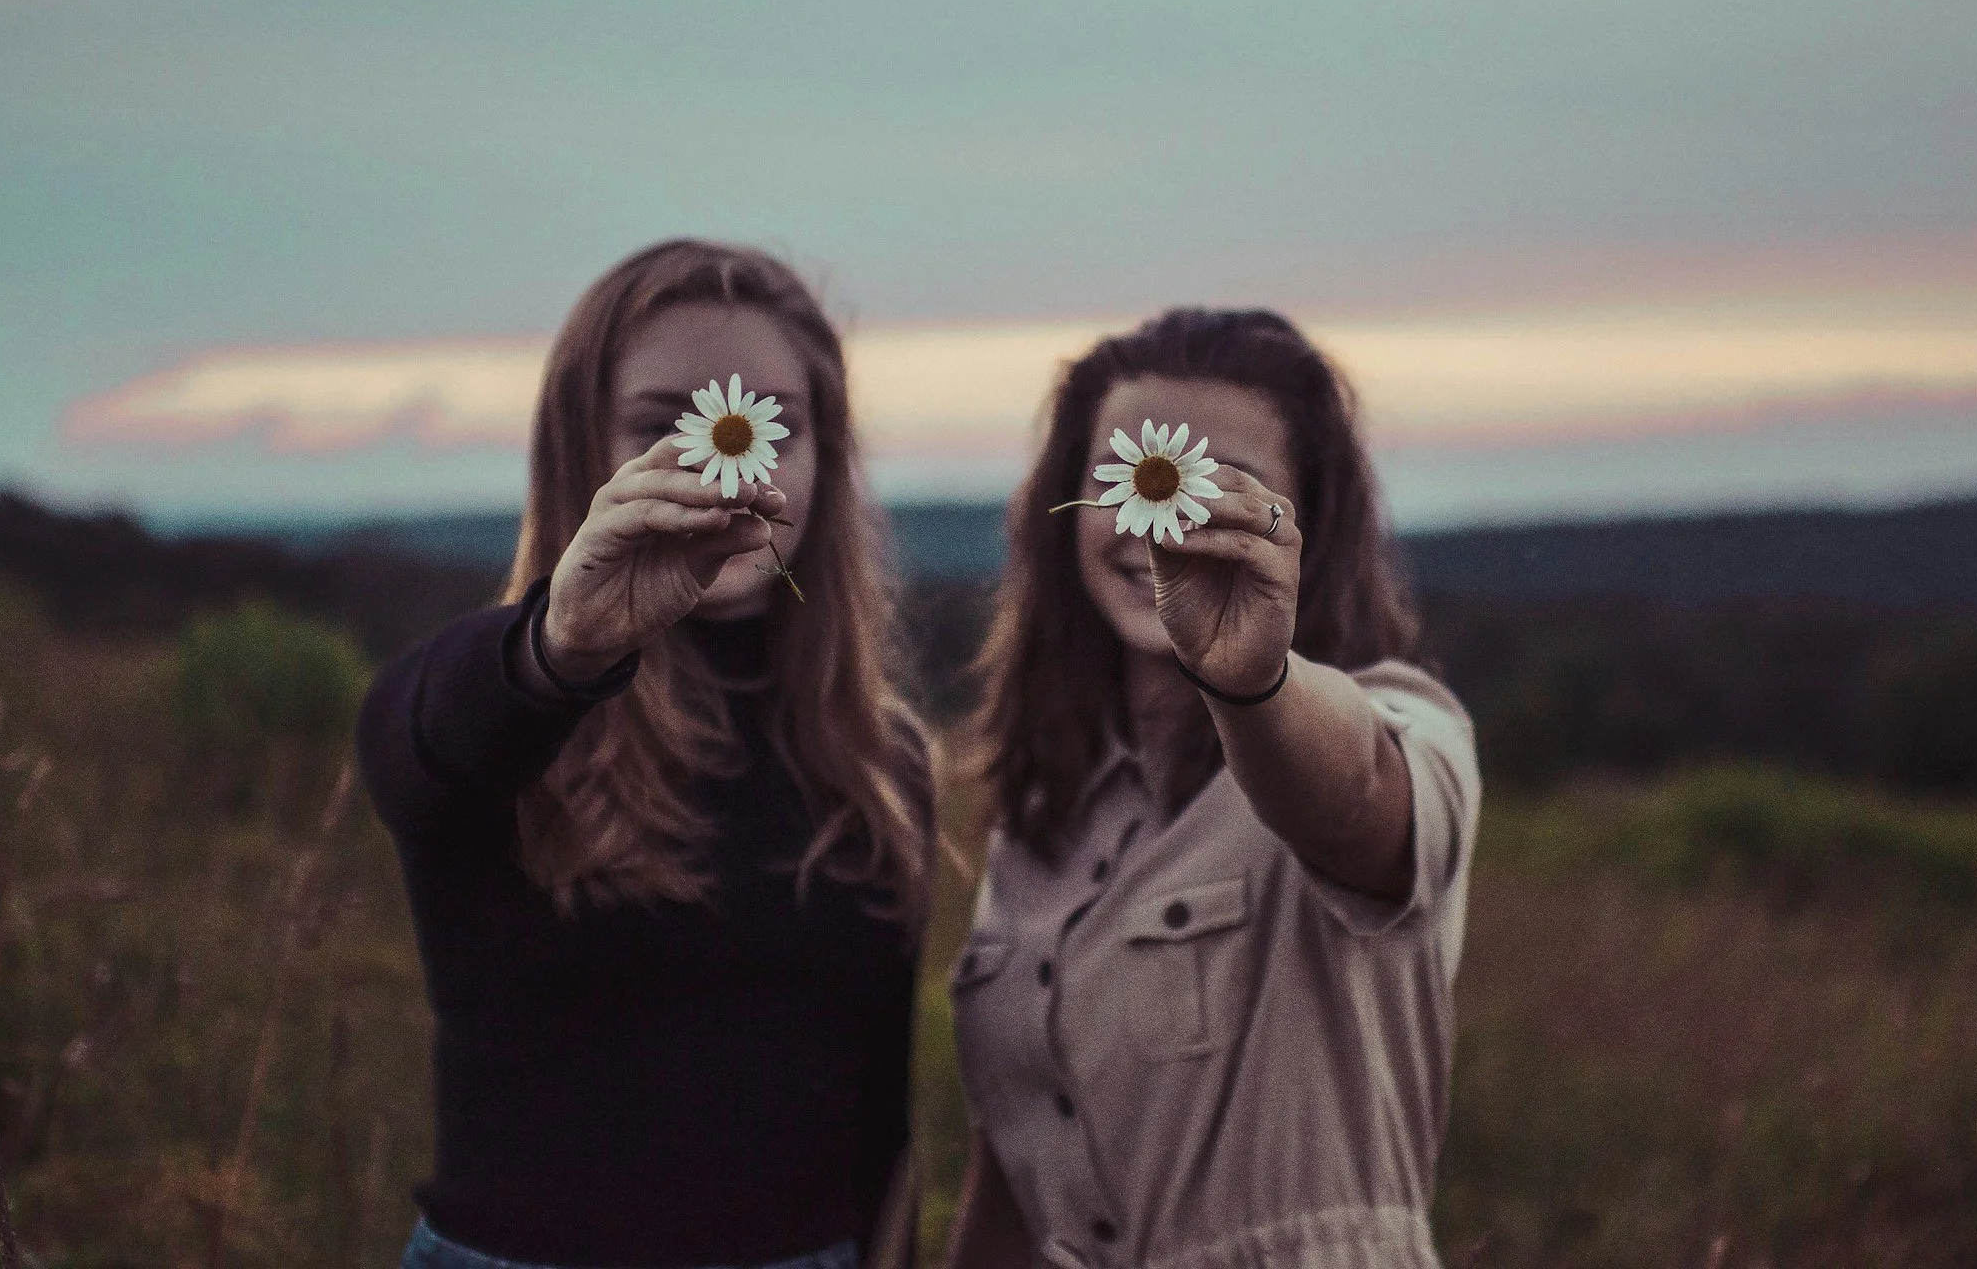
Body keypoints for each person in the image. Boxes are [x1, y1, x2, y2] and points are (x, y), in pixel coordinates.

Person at [358, 240, 933, 1269]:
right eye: (664, 423)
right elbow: (415, 743)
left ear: (825, 458)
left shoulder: (880, 757)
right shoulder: (507, 702)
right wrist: (562, 646)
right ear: (580, 448)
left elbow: (882, 1121)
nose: (726, 459)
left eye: (777, 424)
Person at [942, 308, 1481, 1269]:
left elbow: (1357, 801)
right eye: (1133, 473)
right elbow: (1018, 1176)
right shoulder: (1042, 815)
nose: (1168, 514)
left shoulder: (1402, 723)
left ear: (1312, 519)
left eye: (1226, 482)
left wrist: (1252, 679)